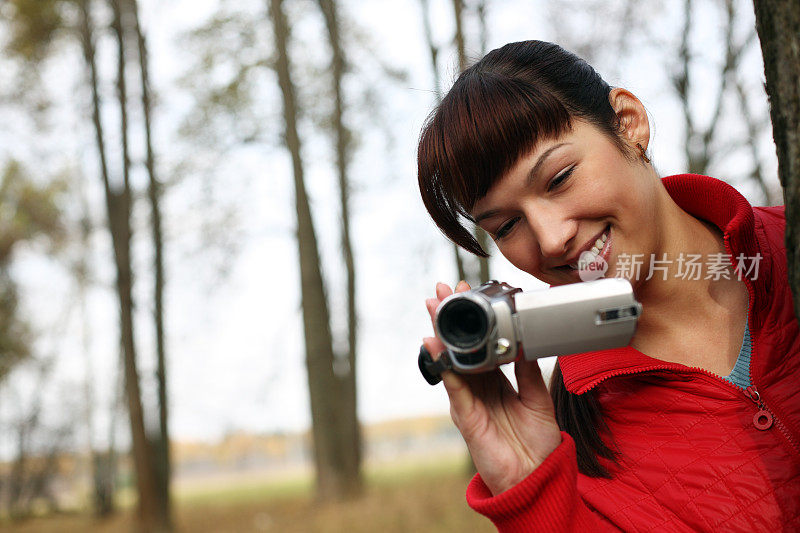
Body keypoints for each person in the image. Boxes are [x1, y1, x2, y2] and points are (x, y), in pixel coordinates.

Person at [417, 40, 800, 531]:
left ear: (628, 123)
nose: (552, 239)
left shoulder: (788, 253)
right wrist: (533, 494)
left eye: (559, 178)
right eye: (507, 226)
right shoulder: (574, 435)